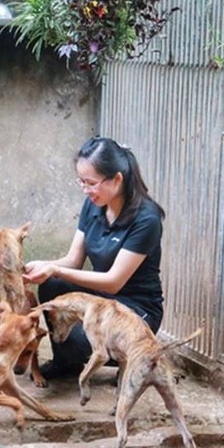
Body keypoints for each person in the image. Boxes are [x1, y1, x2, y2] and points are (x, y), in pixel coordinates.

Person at [22, 136, 165, 379]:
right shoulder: (93, 205)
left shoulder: (146, 219)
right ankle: (66, 362)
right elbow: (73, 260)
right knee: (51, 284)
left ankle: (127, 357)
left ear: (117, 179)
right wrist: (43, 266)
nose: (86, 190)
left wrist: (56, 270)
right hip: (101, 300)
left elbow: (114, 281)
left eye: (91, 183)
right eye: (81, 182)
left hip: (135, 308)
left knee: (81, 344)